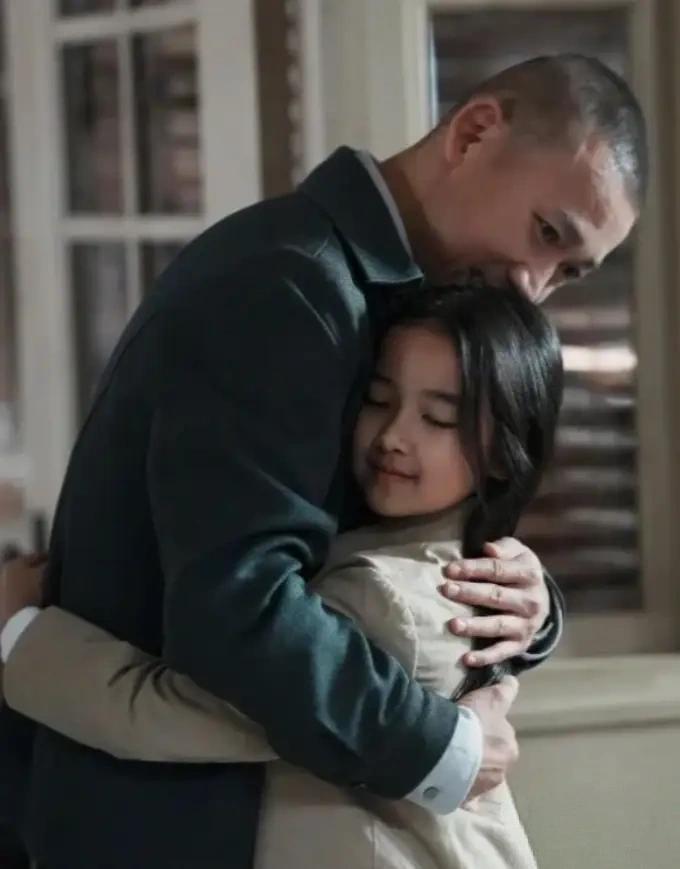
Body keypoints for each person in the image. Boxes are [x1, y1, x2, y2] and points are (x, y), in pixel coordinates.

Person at [0, 53, 644, 868]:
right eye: (547, 233)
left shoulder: (381, 295)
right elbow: (238, 613)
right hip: (164, 825)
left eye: (569, 273)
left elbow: (368, 558)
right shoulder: (292, 285)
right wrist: (446, 745)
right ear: (475, 131)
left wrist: (526, 606)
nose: (533, 286)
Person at [1, 283, 563, 869]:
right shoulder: (420, 560)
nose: (394, 437)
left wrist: (18, 629)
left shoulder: (385, 598)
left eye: (438, 418)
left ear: (504, 453)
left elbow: (161, 713)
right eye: (377, 399)